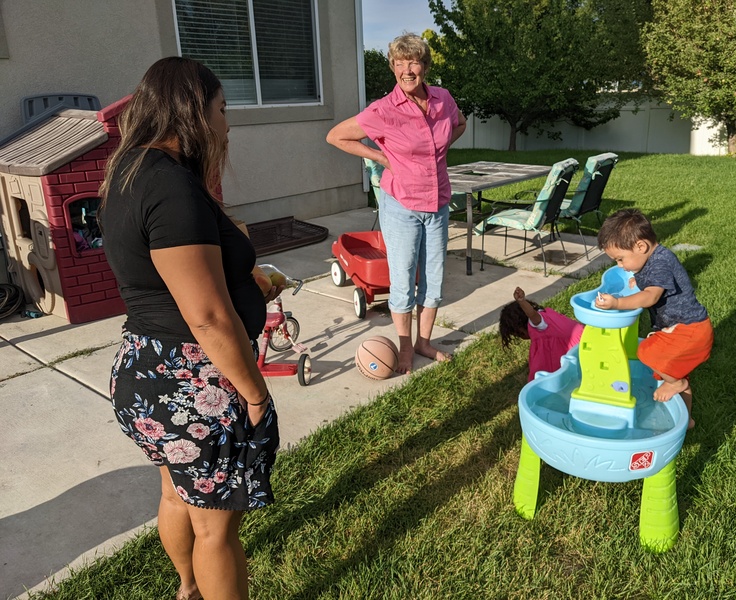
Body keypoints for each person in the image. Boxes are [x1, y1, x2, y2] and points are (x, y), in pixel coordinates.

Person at [98, 57, 281, 600]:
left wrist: (249, 283)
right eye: (222, 109)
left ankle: (187, 589)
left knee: (178, 495)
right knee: (216, 526)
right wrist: (254, 391)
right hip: (191, 383)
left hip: (145, 370)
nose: (227, 123)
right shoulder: (170, 186)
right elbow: (206, 316)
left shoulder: (127, 172)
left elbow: (167, 281)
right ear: (193, 111)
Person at [326, 33, 467, 374]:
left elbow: (459, 124)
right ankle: (405, 347)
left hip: (438, 203)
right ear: (392, 67)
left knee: (434, 277)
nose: (407, 70)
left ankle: (424, 342)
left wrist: (440, 150)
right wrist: (380, 156)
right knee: (403, 278)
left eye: (414, 62)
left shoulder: (443, 99)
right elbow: (336, 136)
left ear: (425, 66)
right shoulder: (383, 110)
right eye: (399, 63)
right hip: (402, 204)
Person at [594, 208, 713, 428]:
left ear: (641, 246)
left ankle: (676, 383)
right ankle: (686, 419)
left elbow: (651, 296)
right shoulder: (649, 259)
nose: (620, 266)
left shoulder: (660, 262)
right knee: (673, 373)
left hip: (689, 329)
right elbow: (648, 280)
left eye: (620, 259)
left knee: (648, 352)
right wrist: (637, 282)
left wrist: (617, 303)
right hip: (685, 327)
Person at [499, 287, 584, 381]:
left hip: (576, 352)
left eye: (517, 333)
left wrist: (522, 301)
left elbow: (532, 315)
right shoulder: (547, 315)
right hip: (581, 344)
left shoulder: (539, 323)